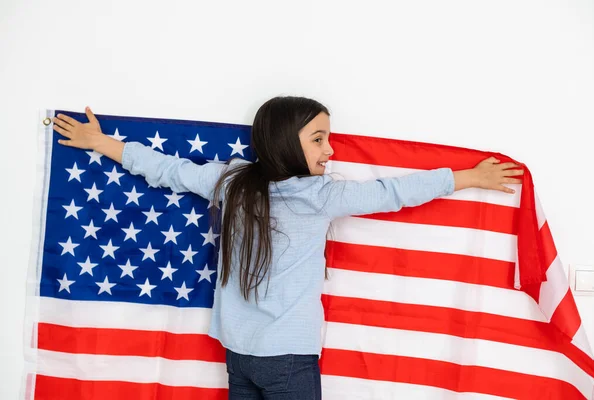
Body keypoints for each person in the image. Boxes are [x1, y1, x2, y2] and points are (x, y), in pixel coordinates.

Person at [52, 96, 523, 400]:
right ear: (284, 140)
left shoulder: (230, 180)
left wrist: (103, 143)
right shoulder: (312, 194)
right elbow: (393, 192)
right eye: (319, 138)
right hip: (287, 363)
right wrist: (468, 177)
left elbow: (166, 169)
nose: (330, 150)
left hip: (238, 355)